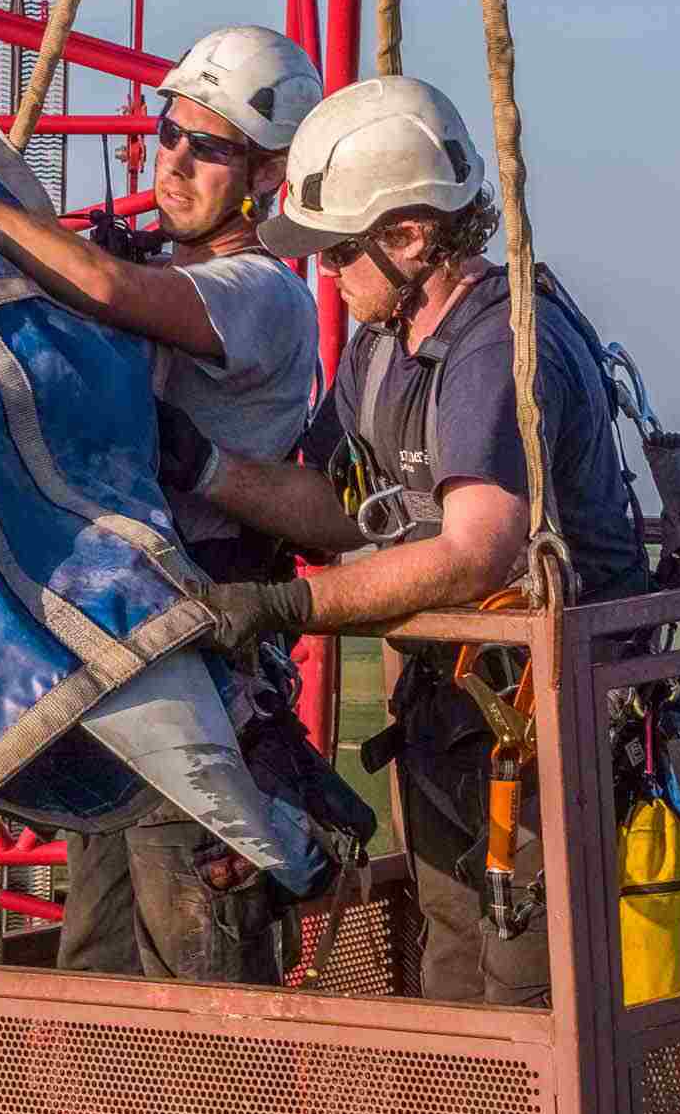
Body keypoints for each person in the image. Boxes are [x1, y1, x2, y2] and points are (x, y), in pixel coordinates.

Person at [0, 25, 327, 985]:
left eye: (209, 146)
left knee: (206, 994)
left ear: (267, 175)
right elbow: (79, 277)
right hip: (122, 658)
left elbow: (102, 287)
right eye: (170, 133)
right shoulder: (174, 271)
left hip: (199, 678)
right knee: (96, 973)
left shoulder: (264, 295)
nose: (174, 160)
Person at [160, 76, 648, 1006]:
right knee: (453, 963)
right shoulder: (382, 344)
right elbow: (339, 505)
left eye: (341, 251)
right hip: (457, 708)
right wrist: (206, 467)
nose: (330, 275)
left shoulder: (498, 347)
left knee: (529, 989)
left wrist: (282, 605)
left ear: (413, 236)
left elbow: (476, 552)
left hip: (557, 724)